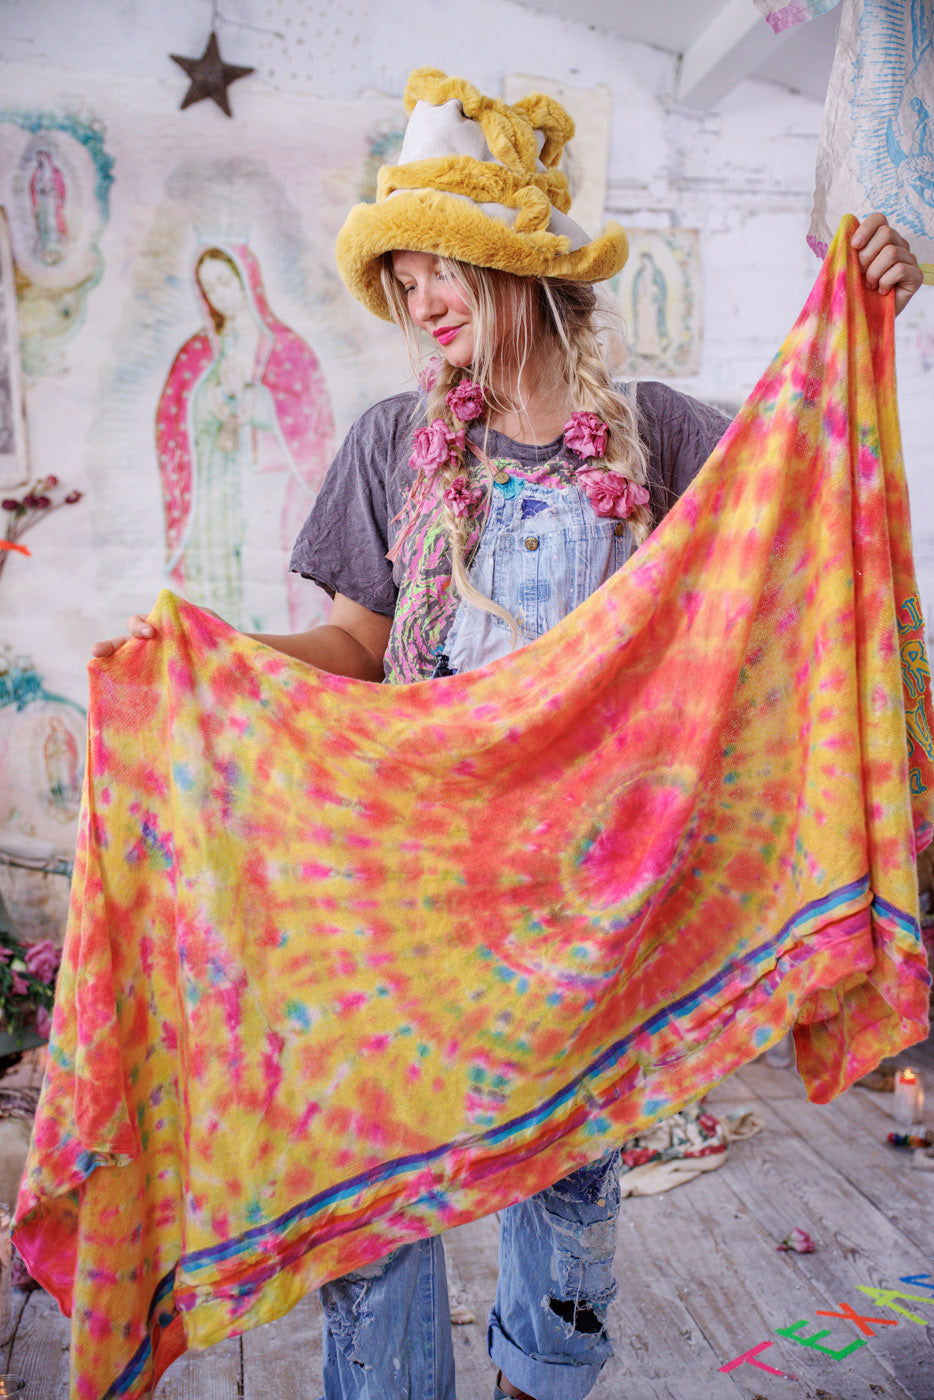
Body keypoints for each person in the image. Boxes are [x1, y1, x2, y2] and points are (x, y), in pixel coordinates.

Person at [95, 67, 922, 1400]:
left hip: (585, 900)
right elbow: (357, 651)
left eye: (443, 266)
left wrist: (873, 305)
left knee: (569, 1186)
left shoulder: (656, 438)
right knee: (379, 1187)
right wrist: (214, 663)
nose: (420, 298)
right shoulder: (390, 442)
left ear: (518, 265)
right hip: (410, 892)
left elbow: (808, 485)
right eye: (403, 275)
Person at [155, 243, 335, 633]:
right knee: (230, 588)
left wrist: (256, 402)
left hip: (273, 482)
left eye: (226, 282)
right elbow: (173, 417)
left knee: (272, 585)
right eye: (210, 288)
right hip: (221, 484)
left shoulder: (287, 348)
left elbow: (311, 417)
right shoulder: (197, 352)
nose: (220, 295)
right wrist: (213, 401)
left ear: (246, 280)